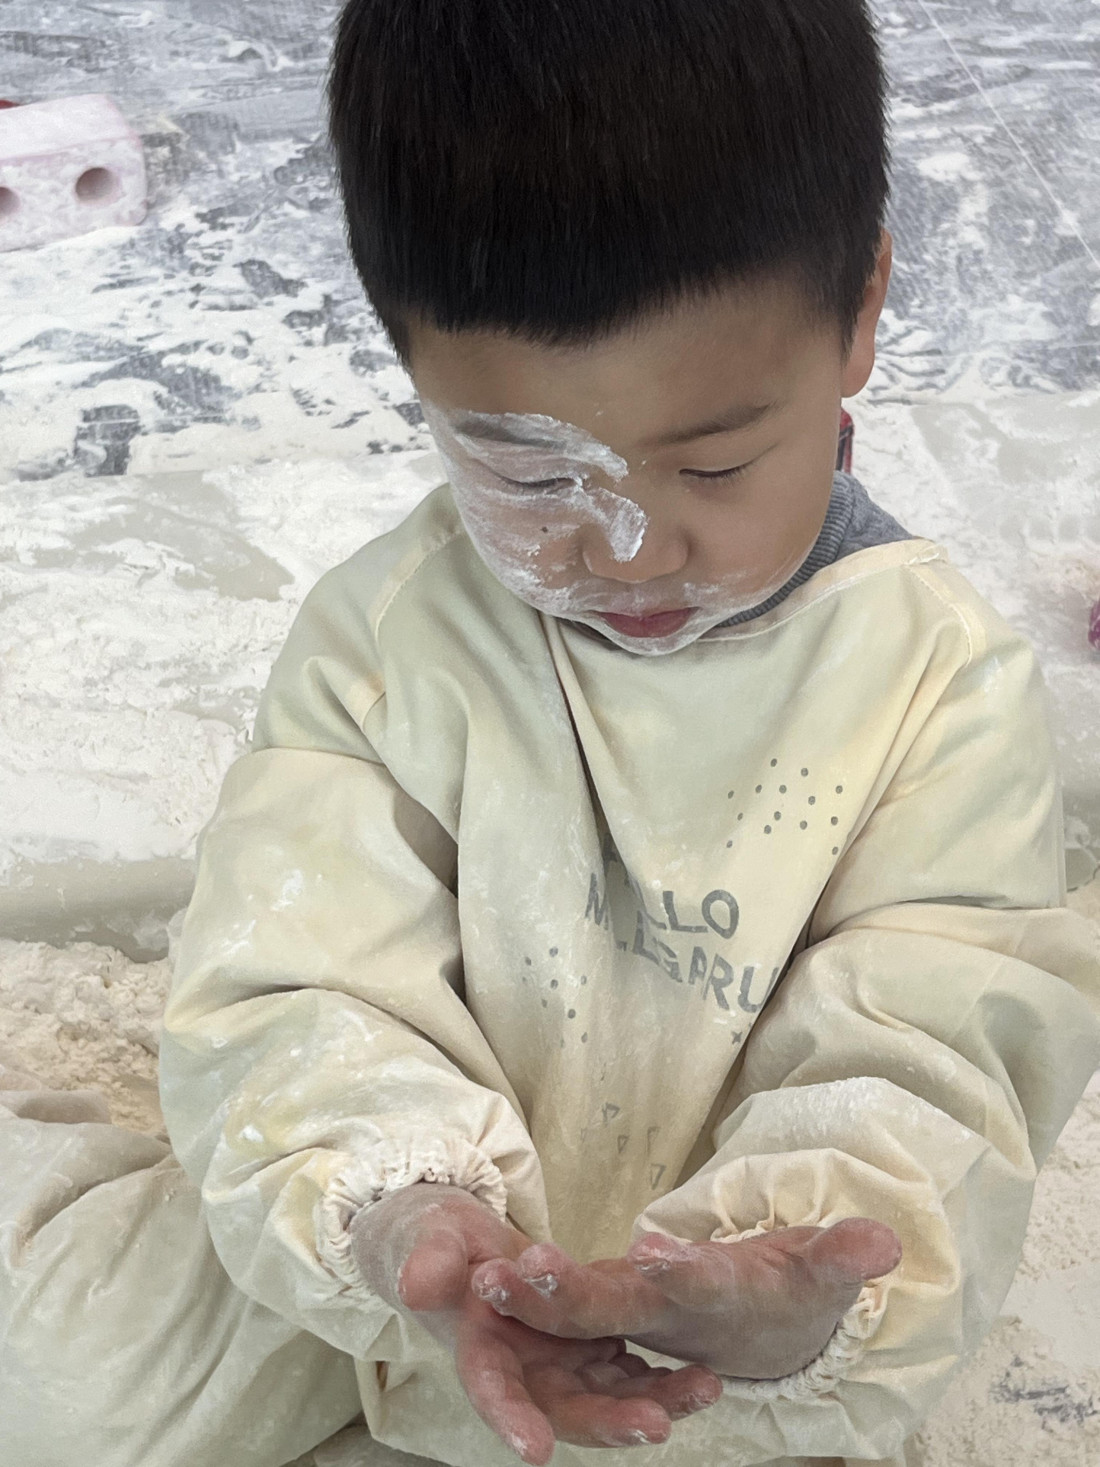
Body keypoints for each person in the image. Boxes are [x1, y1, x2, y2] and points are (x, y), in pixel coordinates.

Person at [2, 1, 1098, 1465]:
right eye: (528, 475)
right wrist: (397, 1212)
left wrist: (791, 1282)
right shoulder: (395, 635)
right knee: (69, 1380)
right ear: (412, 366)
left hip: (717, 1291)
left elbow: (934, 1049)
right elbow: (298, 973)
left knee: (722, 1423)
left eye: (715, 462)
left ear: (861, 313)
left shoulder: (934, 685)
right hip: (402, 1241)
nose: (629, 552)